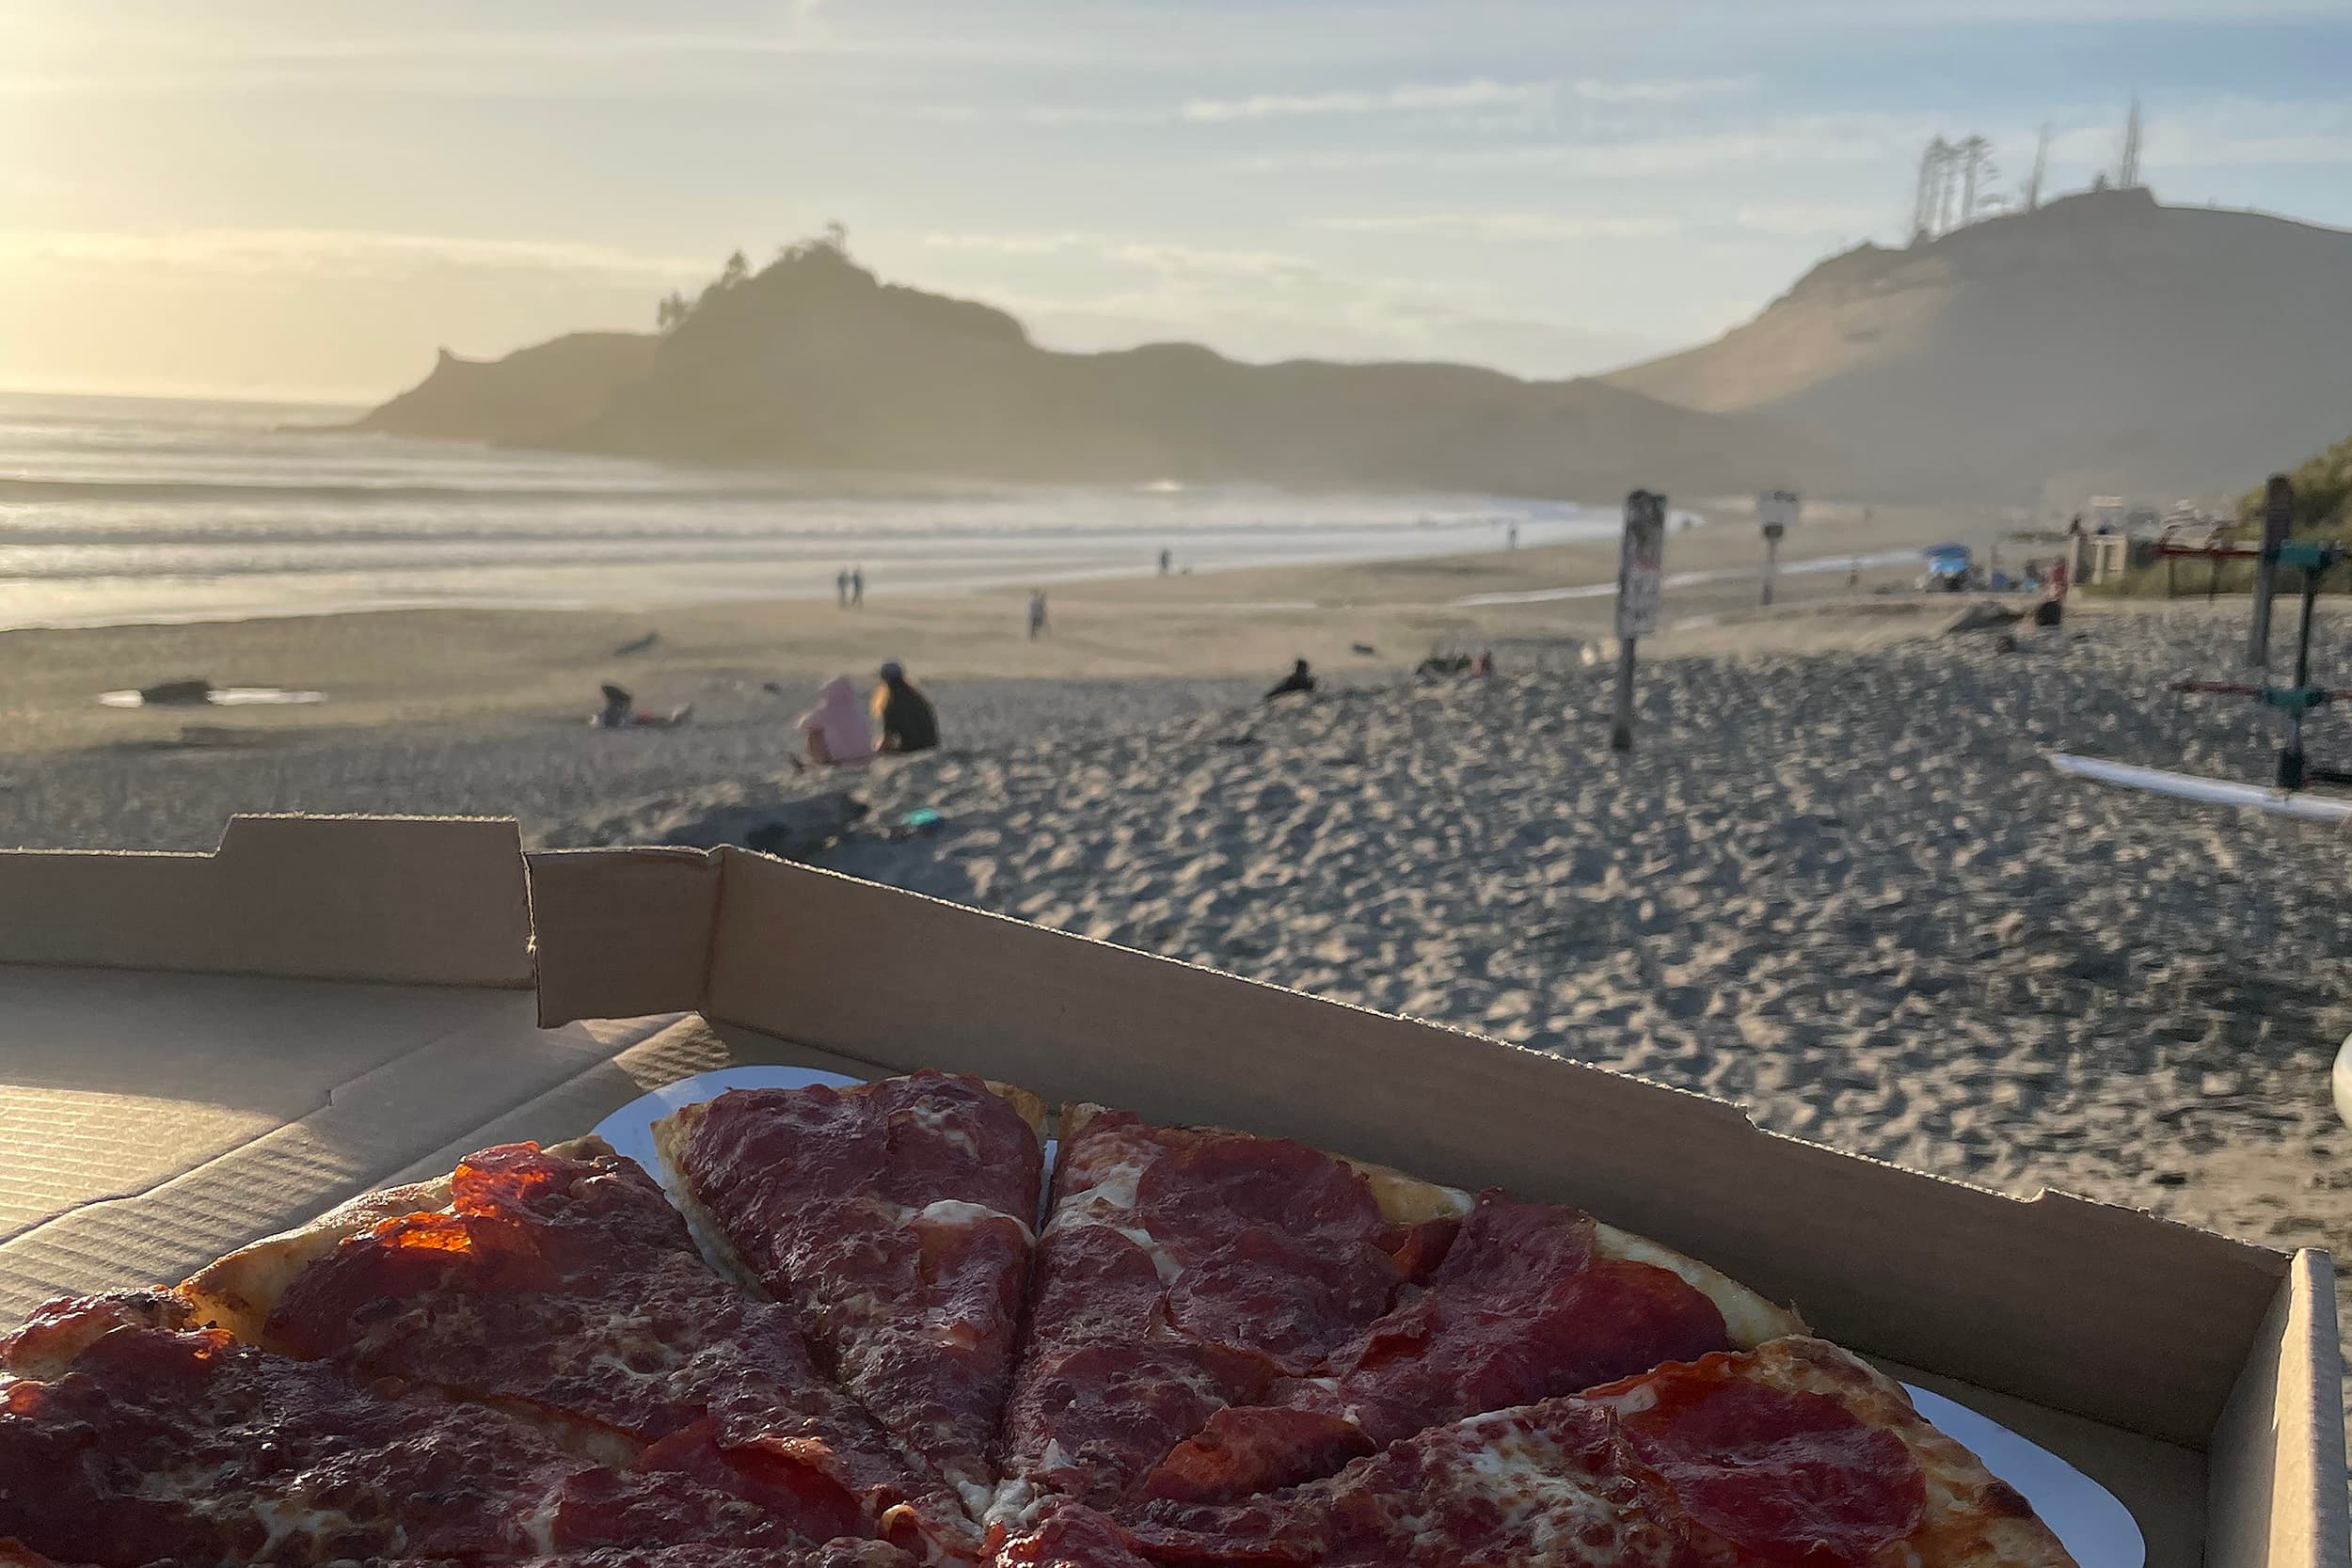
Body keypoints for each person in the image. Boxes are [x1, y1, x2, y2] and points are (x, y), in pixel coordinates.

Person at [794, 675, 874, 768]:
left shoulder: (826, 711)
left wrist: (805, 714)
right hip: (864, 758)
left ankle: (819, 763)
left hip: (839, 761)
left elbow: (801, 726)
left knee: (814, 732)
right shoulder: (857, 711)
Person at [873, 659, 939, 752]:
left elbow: (887, 740)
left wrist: (875, 752)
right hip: (931, 746)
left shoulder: (891, 703)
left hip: (912, 749)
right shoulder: (917, 697)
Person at [593, 683, 691, 729]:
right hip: (621, 722)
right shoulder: (610, 718)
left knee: (650, 720)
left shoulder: (607, 718)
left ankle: (617, 700)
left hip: (620, 721)